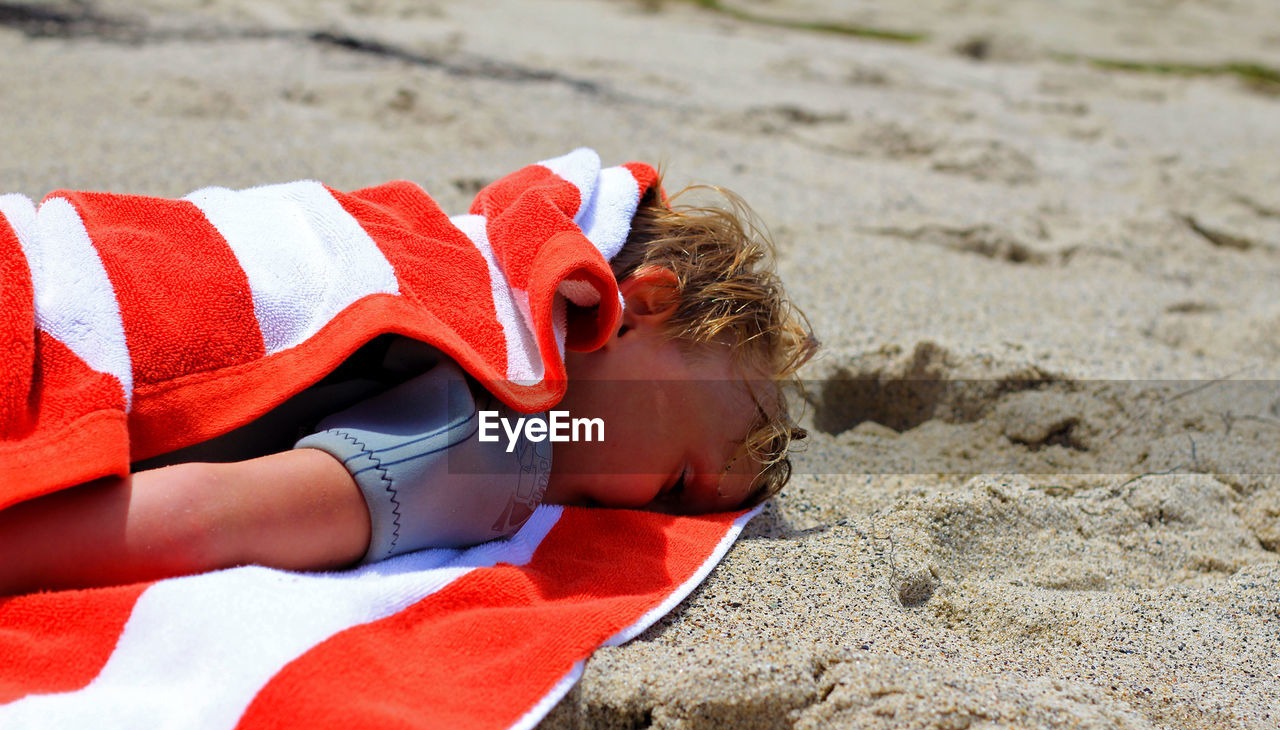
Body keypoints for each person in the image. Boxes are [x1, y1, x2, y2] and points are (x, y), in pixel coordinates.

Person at [0, 166, 816, 595]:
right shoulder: (496, 439)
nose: (659, 517)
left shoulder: (470, 258)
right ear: (639, 304)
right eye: (680, 477)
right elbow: (203, 520)